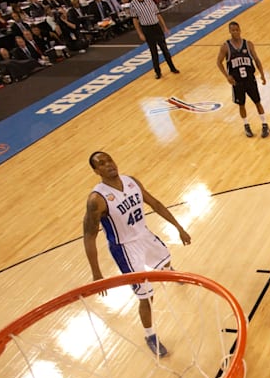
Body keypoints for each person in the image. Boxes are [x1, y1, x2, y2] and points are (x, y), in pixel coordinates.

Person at [82, 151, 192, 357]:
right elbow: (89, 237)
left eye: (110, 160)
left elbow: (155, 204)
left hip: (144, 235)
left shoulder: (131, 181)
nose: (109, 165)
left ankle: (167, 269)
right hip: (125, 248)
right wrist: (96, 273)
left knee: (166, 259)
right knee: (147, 296)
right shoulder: (96, 199)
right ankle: (150, 335)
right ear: (96, 171)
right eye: (102, 164)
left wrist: (179, 227)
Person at [215, 21, 270, 138]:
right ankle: (246, 125)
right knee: (242, 105)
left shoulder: (248, 44)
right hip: (237, 82)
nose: (235, 32)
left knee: (257, 102)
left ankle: (265, 124)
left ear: (240, 30)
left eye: (237, 29)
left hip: (250, 79)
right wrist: (227, 76)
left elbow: (256, 60)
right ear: (229, 31)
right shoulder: (226, 47)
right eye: (233, 30)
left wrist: (262, 74)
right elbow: (218, 62)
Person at [129, 0, 178, 79]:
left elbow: (158, 14)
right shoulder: (133, 5)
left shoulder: (150, 1)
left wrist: (165, 27)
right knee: (153, 52)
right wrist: (140, 33)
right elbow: (135, 20)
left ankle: (172, 67)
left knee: (165, 49)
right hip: (147, 29)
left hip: (156, 27)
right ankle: (158, 72)